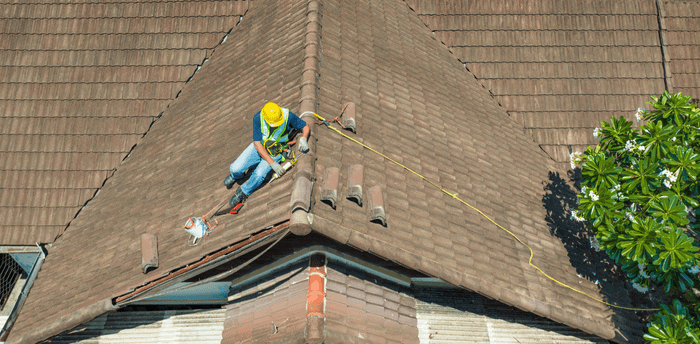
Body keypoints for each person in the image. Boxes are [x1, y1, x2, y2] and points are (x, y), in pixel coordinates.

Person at [223, 102, 310, 208]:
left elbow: (304, 126)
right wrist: (272, 163)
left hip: (276, 150)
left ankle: (244, 191)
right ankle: (236, 176)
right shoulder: (258, 118)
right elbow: (257, 144)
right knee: (235, 168)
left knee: (259, 174)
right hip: (260, 147)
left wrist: (304, 138)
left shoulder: (287, 115)